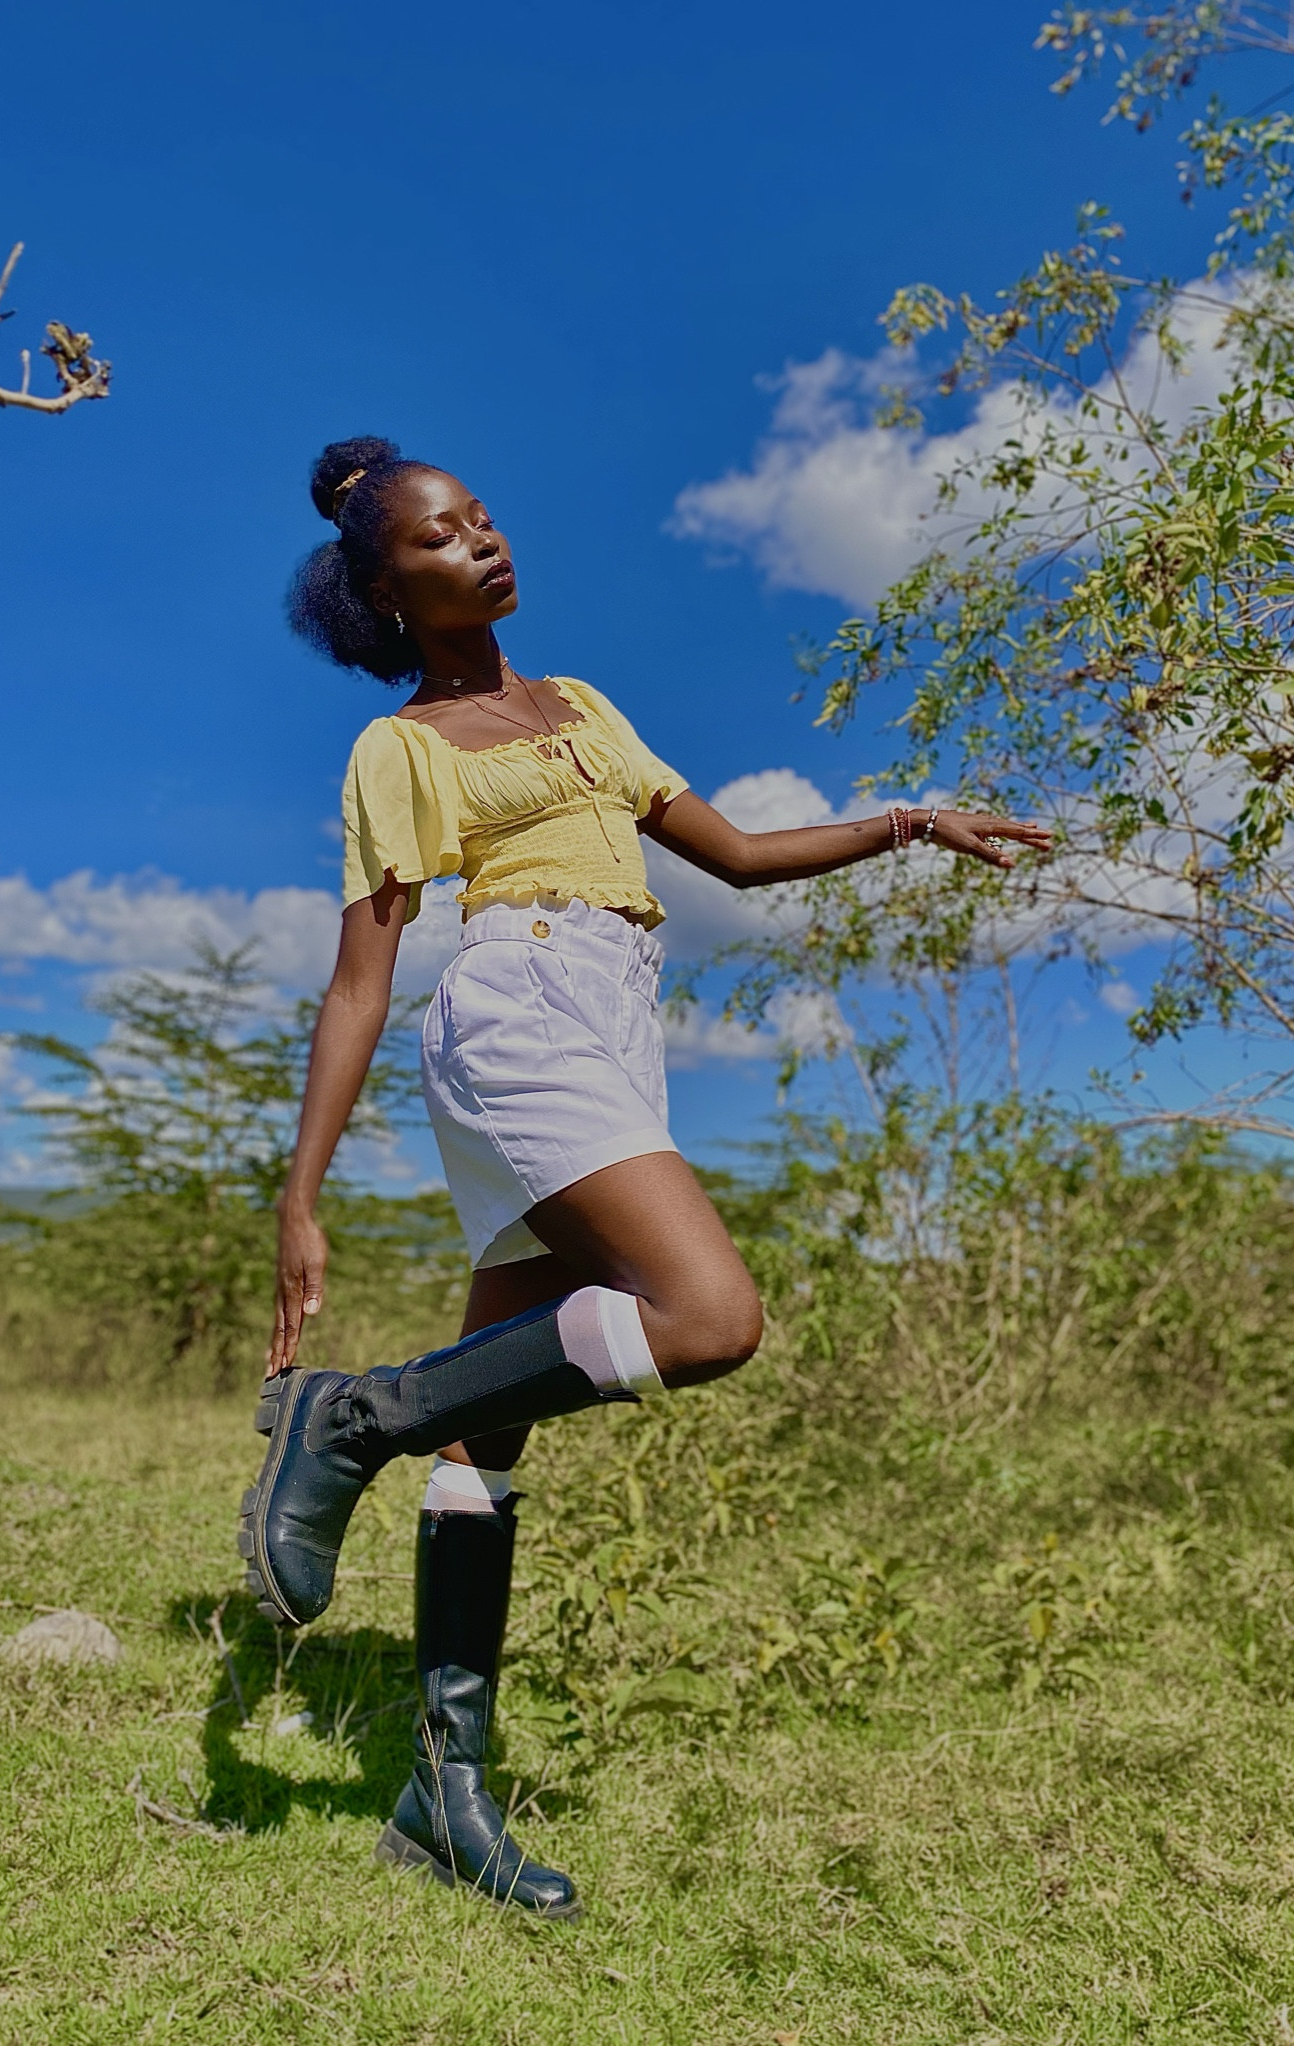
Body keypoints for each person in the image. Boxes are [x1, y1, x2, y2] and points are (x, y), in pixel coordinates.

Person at [239, 435, 1051, 1919]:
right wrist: (300, 1195)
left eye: (482, 516)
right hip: (515, 1018)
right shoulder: (401, 749)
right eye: (437, 537)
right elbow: (361, 980)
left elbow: (732, 858)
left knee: (490, 1441)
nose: (478, 543)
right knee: (705, 1317)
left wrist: (907, 819)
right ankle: (347, 1416)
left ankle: (440, 1789)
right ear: (382, 588)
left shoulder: (585, 708)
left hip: (613, 1024)